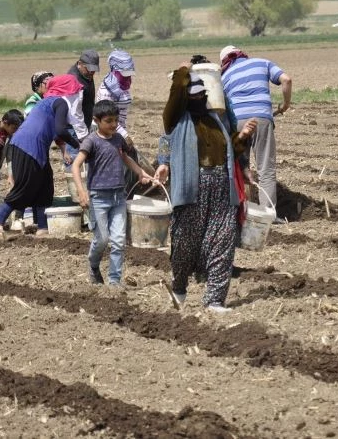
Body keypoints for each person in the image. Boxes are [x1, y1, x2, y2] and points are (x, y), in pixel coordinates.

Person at [154, 63, 257, 313]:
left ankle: (214, 300)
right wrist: (182, 73)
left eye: (203, 95)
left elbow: (233, 148)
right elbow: (176, 96)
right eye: (194, 96)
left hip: (222, 188)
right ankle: (179, 287)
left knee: (223, 239)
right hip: (192, 189)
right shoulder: (176, 119)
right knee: (184, 242)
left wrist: (242, 136)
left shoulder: (216, 120)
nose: (200, 98)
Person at [0, 75, 82, 236]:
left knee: (45, 187)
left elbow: (53, 130)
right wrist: (78, 144)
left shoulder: (47, 102)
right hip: (27, 146)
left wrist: (67, 146)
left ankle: (42, 228)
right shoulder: (60, 102)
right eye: (76, 92)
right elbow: (60, 129)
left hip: (35, 148)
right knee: (25, 186)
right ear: (68, 90)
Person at [72, 100, 153, 287]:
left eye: (116, 120)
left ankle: (114, 281)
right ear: (96, 121)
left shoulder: (118, 139)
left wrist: (140, 173)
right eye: (109, 121)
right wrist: (81, 191)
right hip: (98, 198)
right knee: (102, 239)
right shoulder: (91, 141)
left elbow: (126, 158)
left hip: (118, 196)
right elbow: (76, 165)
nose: (114, 124)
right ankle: (93, 266)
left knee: (118, 241)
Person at [219, 45, 291, 217]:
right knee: (265, 168)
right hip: (262, 119)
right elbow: (286, 80)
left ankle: (243, 214)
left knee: (240, 166)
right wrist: (285, 105)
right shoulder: (262, 63)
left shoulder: (224, 76)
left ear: (225, 62)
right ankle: (267, 216)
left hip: (238, 123)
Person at [64, 49, 99, 169]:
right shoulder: (74, 79)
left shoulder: (86, 74)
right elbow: (74, 113)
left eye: (94, 69)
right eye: (89, 68)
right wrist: (83, 136)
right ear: (80, 63)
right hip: (73, 129)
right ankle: (74, 187)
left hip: (83, 125)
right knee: (74, 163)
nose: (92, 72)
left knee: (86, 164)